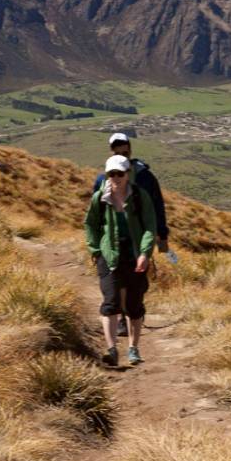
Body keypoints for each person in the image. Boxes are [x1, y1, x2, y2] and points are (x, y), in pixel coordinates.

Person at [91, 133, 170, 336]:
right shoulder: (104, 178)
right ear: (111, 151)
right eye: (117, 148)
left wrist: (161, 233)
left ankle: (133, 312)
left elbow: (157, 206)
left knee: (136, 279)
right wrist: (97, 243)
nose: (121, 151)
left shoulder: (144, 176)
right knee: (120, 280)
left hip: (142, 234)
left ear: (130, 148)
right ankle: (125, 319)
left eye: (124, 148)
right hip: (114, 238)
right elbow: (96, 211)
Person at [85, 155, 159, 367]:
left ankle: (133, 348)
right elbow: (90, 224)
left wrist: (145, 253)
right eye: (112, 174)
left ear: (128, 174)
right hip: (109, 256)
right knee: (111, 303)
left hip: (134, 254)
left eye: (120, 173)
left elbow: (149, 226)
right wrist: (96, 249)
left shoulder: (139, 196)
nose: (116, 178)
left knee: (134, 305)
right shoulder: (100, 197)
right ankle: (111, 349)